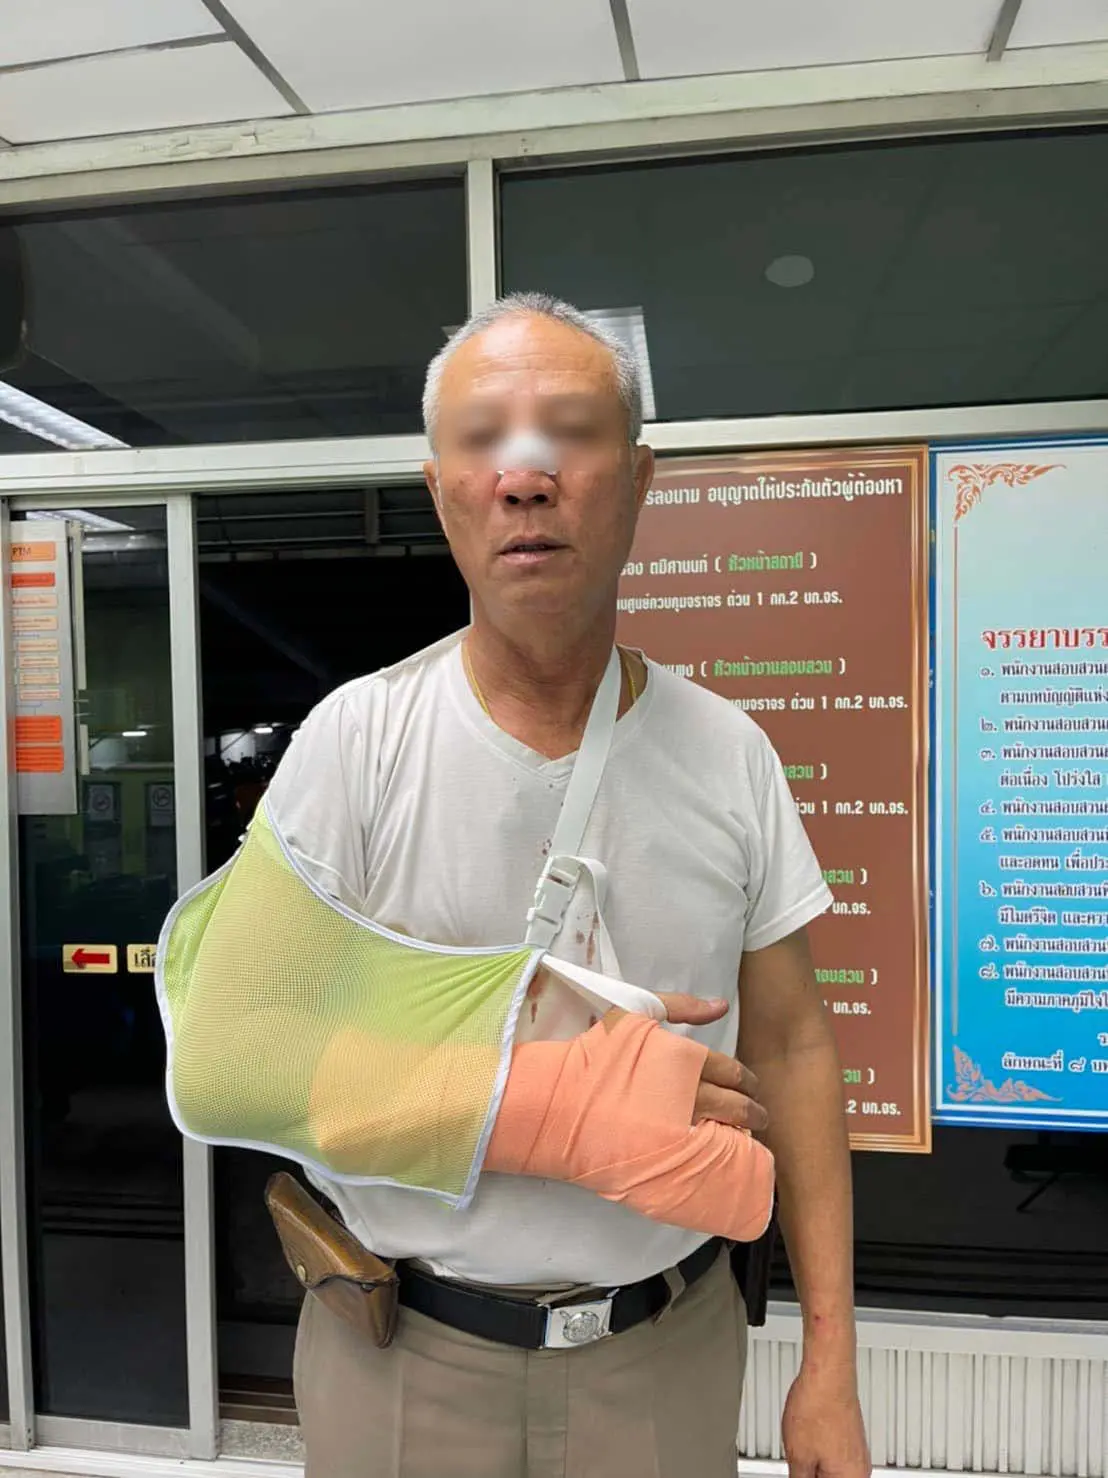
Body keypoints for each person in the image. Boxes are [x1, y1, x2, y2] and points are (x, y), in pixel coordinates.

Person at [264, 293, 870, 1478]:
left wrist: (832, 1360)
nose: (525, 475)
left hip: (665, 1352)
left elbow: (795, 1045)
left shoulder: (728, 752)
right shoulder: (355, 741)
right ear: (440, 487)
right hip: (405, 1356)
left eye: (571, 433)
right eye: (484, 438)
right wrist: (550, 1106)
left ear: (639, 479)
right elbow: (251, 1057)